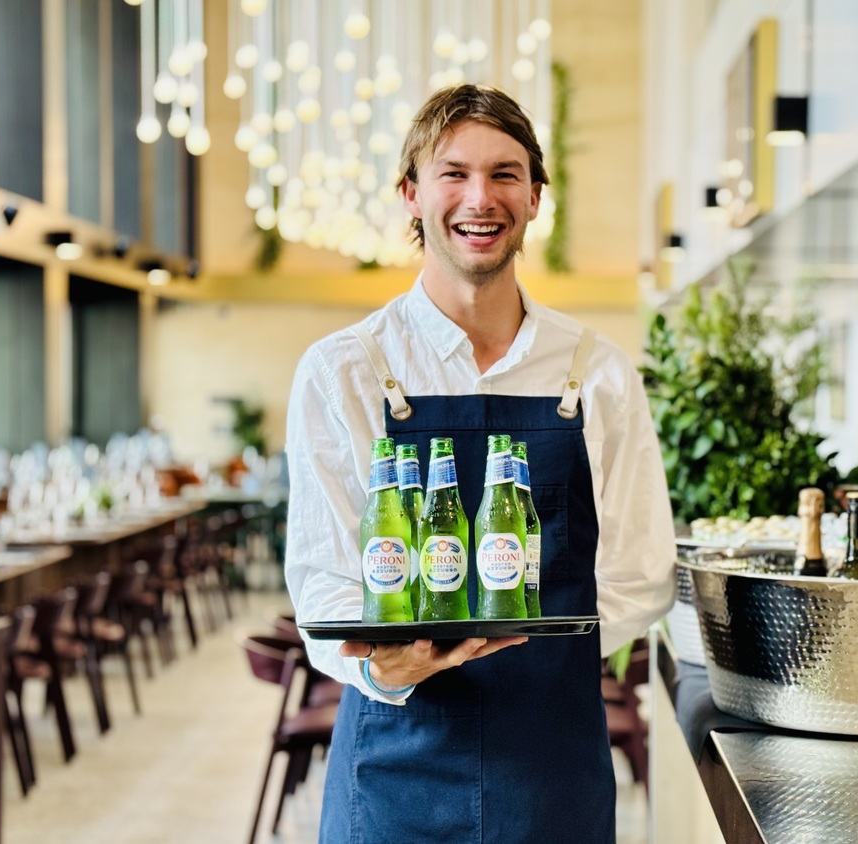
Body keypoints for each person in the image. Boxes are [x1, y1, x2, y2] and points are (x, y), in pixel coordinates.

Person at [284, 84, 676, 844]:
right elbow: (324, 569)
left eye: (504, 173)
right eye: (453, 172)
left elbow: (641, 570)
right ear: (411, 194)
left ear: (534, 197)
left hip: (551, 765)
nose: (480, 197)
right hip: (393, 765)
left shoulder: (595, 373)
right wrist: (378, 669)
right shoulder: (346, 371)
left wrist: (536, 644)